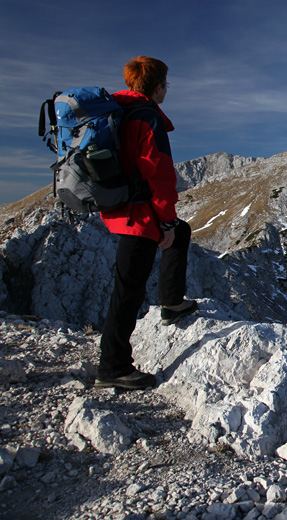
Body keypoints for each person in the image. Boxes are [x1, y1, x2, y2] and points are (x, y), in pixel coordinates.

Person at [94, 56, 197, 390]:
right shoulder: (147, 117)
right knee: (128, 291)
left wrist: (171, 227)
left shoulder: (120, 112)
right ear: (157, 86)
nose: (168, 89)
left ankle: (172, 301)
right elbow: (160, 173)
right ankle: (113, 368)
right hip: (138, 214)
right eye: (166, 83)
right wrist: (164, 222)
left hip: (120, 206)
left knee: (181, 232)